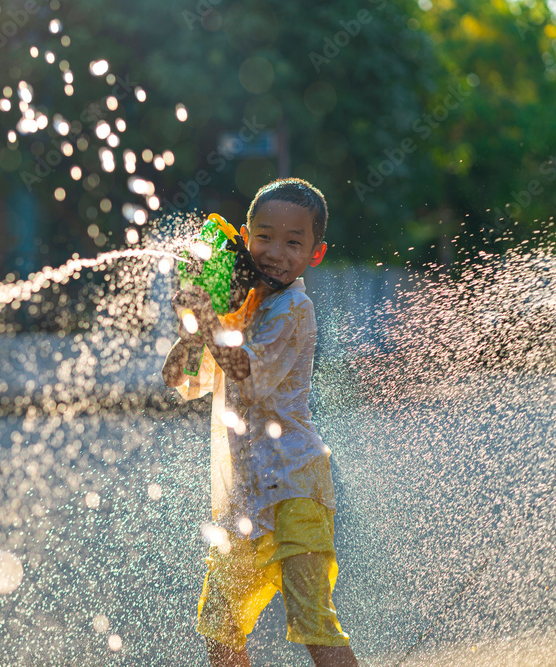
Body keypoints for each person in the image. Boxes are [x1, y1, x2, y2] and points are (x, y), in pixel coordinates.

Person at [162, 178, 359, 667]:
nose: (276, 252)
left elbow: (246, 377)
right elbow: (178, 380)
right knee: (219, 624)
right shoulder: (239, 311)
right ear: (246, 237)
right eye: (265, 237)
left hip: (296, 485)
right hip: (246, 494)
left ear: (315, 254)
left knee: (312, 618)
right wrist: (193, 320)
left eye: (294, 242)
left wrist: (208, 320)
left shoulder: (294, 309)